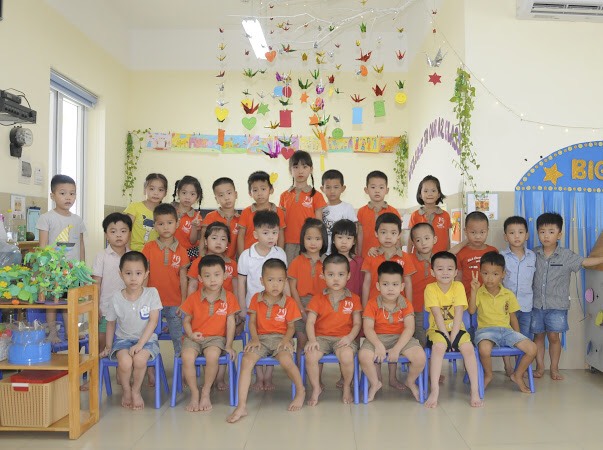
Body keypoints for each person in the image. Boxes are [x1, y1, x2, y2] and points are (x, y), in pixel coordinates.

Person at [227, 259, 305, 423]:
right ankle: (241, 406)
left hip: (281, 339)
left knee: (286, 360)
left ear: (285, 281)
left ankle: (300, 391)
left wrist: (286, 340)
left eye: (280, 280)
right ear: (262, 281)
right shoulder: (256, 298)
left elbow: (291, 327)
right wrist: (254, 339)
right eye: (270, 280)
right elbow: (252, 323)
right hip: (260, 339)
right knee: (246, 361)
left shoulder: (289, 302)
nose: (275, 284)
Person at [532, 212, 603, 380]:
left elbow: (585, 262)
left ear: (559, 234)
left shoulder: (566, 255)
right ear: (537, 233)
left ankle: (554, 368)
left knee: (554, 337)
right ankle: (540, 368)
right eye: (542, 231)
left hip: (557, 306)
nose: (546, 235)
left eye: (551, 231)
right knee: (538, 337)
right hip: (536, 305)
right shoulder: (532, 254)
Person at [100, 251, 162, 411]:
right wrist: (108, 346)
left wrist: (140, 344)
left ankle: (136, 390)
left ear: (146, 274)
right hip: (123, 341)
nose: (133, 278)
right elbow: (111, 324)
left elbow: (153, 321)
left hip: (147, 341)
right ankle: (126, 390)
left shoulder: (152, 293)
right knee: (125, 362)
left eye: (138, 273)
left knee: (140, 360)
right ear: (120, 274)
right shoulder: (116, 297)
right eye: (128, 273)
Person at [361, 212, 416, 390]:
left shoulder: (405, 257)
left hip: (398, 307)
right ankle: (377, 380)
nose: (388, 237)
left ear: (399, 235)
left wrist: (408, 305)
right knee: (376, 340)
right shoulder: (371, 255)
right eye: (383, 232)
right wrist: (364, 306)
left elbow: (408, 282)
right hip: (375, 308)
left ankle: (392, 378)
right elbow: (366, 282)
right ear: (376, 233)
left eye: (393, 233)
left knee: (396, 339)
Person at [468, 252, 537, 393]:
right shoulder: (479, 292)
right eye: (485, 273)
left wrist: (518, 336)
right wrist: (473, 291)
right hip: (485, 332)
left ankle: (517, 375)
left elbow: (513, 318)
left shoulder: (508, 294)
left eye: (495, 274)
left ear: (503, 274)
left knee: (532, 348)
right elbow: (471, 310)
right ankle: (488, 374)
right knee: (484, 349)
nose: (490, 278)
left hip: (507, 331)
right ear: (480, 273)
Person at [358, 261, 426, 402]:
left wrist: (397, 349)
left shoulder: (406, 304)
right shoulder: (372, 303)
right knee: (363, 356)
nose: (390, 288)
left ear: (402, 286)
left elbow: (409, 328)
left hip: (401, 338)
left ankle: (410, 381)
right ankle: (375, 383)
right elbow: (368, 328)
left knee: (420, 358)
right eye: (385, 284)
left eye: (395, 284)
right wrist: (378, 345)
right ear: (378, 286)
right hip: (377, 337)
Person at [179, 255, 239, 412]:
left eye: (217, 275)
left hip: (216, 339)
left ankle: (206, 391)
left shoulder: (230, 298)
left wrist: (229, 345)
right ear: (200, 278)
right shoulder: (193, 298)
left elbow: (231, 323)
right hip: (194, 337)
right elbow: (186, 321)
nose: (212, 280)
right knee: (187, 357)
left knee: (212, 356)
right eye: (207, 276)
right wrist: (191, 334)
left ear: (225, 276)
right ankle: (194, 393)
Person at [424, 251, 482, 408]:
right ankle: (435, 390)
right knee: (438, 348)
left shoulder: (458, 286)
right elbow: (437, 315)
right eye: (440, 269)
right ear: (432, 271)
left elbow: (459, 313)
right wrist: (445, 336)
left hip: (457, 328)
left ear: (456, 272)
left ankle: (474, 391)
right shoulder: (430, 288)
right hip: (437, 330)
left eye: (449, 269)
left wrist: (454, 336)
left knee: (468, 349)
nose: (445, 272)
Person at [237, 210, 288, 390]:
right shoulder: (246, 255)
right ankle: (259, 377)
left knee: (273, 339)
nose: (271, 237)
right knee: (255, 341)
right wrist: (242, 308)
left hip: (276, 308)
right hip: (254, 309)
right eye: (266, 233)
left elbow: (284, 281)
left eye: (274, 232)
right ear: (255, 234)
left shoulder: (280, 253)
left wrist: (288, 303)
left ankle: (268, 377)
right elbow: (241, 283)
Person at [304, 254, 362, 405]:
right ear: (323, 276)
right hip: (321, 338)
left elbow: (357, 323)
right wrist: (312, 340)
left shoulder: (354, 298)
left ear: (348, 276)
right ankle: (316, 388)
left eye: (341, 274)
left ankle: (347, 386)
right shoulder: (317, 298)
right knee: (310, 355)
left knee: (347, 356)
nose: (336, 279)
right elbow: (310, 322)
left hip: (344, 338)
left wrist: (350, 338)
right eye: (330, 275)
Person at [187, 221, 238, 390]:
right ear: (205, 241)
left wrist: (237, 309)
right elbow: (192, 285)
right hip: (202, 312)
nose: (218, 242)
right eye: (214, 238)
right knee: (204, 344)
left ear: (228, 244)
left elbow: (236, 287)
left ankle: (220, 378)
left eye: (223, 239)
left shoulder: (232, 264)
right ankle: (207, 377)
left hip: (224, 311)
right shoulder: (198, 262)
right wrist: (187, 306)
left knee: (221, 344)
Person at [37, 174, 86, 344]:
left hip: (72, 271)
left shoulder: (77, 220)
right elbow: (42, 246)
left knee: (69, 301)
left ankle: (70, 331)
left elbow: (81, 244)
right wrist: (43, 269)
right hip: (53, 270)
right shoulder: (46, 218)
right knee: (52, 302)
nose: (68, 197)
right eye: (63, 193)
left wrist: (82, 267)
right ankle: (52, 332)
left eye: (72, 193)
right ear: (52, 195)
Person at [142, 203, 190, 358]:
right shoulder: (149, 247)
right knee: (149, 337)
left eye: (169, 223)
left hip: (175, 303)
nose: (166, 227)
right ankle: (151, 366)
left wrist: (184, 301)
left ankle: (181, 363)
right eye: (161, 224)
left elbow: (183, 278)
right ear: (155, 226)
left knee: (178, 337)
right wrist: (142, 298)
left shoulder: (182, 250)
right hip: (152, 302)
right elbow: (145, 275)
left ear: (177, 224)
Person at [288, 218, 328, 365]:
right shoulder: (296, 261)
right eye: (309, 238)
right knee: (302, 342)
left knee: (318, 343)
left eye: (317, 239)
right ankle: (301, 374)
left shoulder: (327, 262)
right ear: (302, 239)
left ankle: (315, 374)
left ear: (324, 240)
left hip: (321, 306)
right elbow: (292, 287)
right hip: (301, 305)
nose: (313, 243)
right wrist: (301, 309)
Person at [92, 213, 132, 359]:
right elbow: (96, 283)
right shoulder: (101, 256)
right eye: (113, 231)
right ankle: (97, 371)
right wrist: (96, 306)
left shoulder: (134, 256)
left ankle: (125, 369)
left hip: (129, 309)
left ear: (129, 233)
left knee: (128, 343)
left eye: (123, 231)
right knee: (101, 343)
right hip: (106, 307)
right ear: (106, 235)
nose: (118, 235)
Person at [279, 150, 327, 264]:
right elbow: (281, 224)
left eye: (304, 167)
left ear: (311, 169)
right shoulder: (284, 195)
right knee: (290, 272)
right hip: (289, 244)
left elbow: (319, 224)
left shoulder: (317, 195)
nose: (300, 171)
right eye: (296, 167)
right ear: (290, 170)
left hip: (309, 244)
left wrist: (317, 243)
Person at [501, 215, 536, 339]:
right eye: (512, 233)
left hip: (526, 307)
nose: (516, 236)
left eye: (520, 232)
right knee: (507, 339)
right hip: (506, 307)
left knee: (525, 339)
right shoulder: (502, 257)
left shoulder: (533, 256)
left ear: (527, 235)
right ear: (506, 237)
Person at [237, 171, 286, 256]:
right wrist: (242, 256)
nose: (259, 193)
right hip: (250, 256)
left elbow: (280, 235)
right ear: (250, 193)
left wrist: (279, 254)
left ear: (271, 190)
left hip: (271, 256)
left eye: (263, 189)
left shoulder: (278, 212)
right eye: (255, 190)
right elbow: (241, 236)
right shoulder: (246, 212)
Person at [356, 171, 400, 260]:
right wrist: (359, 256)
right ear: (366, 190)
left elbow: (398, 237)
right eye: (373, 187)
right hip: (367, 257)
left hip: (388, 258)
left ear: (387, 190)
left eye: (381, 187)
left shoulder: (393, 211)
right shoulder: (361, 212)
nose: (377, 191)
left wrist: (398, 256)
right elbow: (359, 236)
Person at [455, 211, 498, 298]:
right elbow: (458, 279)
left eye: (482, 232)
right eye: (473, 232)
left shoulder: (493, 251)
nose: (478, 236)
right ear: (465, 231)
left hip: (489, 300)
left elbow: (498, 276)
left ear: (488, 231)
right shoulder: (461, 253)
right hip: (467, 298)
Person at [408, 223, 437, 347]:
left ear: (434, 239)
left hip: (437, 310)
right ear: (413, 243)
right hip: (416, 310)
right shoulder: (407, 259)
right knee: (420, 343)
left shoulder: (440, 260)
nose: (423, 243)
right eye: (418, 240)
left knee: (436, 343)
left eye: (427, 238)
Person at [407, 175, 451, 254]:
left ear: (438, 194)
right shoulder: (415, 215)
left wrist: (448, 255)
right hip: (418, 258)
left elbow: (447, 238)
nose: (430, 194)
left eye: (433, 191)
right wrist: (408, 256)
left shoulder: (445, 215)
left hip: (439, 257)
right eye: (426, 191)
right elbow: (410, 239)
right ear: (420, 195)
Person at [124, 173, 168, 251]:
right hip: (134, 252)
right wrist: (127, 250)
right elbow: (125, 229)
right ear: (145, 190)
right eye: (152, 189)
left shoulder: (165, 213)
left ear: (165, 193)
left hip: (153, 253)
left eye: (160, 190)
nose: (156, 193)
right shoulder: (134, 207)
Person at [199, 177, 239, 261]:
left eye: (229, 193)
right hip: (211, 261)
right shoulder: (210, 217)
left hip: (231, 263)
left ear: (236, 194)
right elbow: (203, 240)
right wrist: (201, 258)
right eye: (221, 195)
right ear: (216, 199)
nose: (226, 198)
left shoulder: (241, 219)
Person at [320, 169, 357, 254]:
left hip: (342, 252)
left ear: (343, 188)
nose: (332, 191)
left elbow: (354, 231)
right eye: (328, 187)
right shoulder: (321, 209)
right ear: (322, 189)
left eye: (336, 187)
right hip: (324, 252)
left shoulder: (348, 208)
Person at [171, 176, 203, 261]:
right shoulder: (169, 211)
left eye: (192, 194)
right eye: (184, 193)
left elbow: (193, 241)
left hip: (188, 253)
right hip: (169, 250)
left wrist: (194, 226)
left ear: (197, 197)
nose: (187, 197)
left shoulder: (197, 217)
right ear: (178, 193)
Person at [330, 219, 363, 296]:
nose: (344, 242)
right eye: (340, 237)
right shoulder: (328, 262)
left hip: (354, 302)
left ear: (354, 241)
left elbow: (362, 286)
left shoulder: (359, 262)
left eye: (348, 238)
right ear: (333, 240)